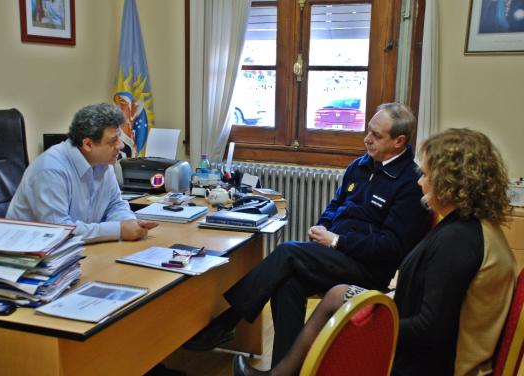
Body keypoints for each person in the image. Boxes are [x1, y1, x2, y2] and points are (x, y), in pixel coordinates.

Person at [233, 128, 517, 376]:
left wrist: (352, 322)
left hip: (422, 364)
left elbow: (430, 330)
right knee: (300, 281)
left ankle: (242, 336)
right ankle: (283, 372)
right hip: (402, 313)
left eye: (428, 175)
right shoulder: (468, 226)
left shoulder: (458, 241)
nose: (421, 181)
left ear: (452, 184)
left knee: (290, 255)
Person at [184, 103, 432, 367]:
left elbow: (392, 247)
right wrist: (322, 228)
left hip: (369, 270)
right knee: (287, 282)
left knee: (288, 252)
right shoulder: (360, 166)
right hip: (334, 254)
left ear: (399, 142)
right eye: (368, 131)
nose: (367, 139)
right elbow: (335, 207)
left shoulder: (410, 182)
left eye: (377, 135)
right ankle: (284, 370)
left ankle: (227, 321)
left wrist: (337, 241)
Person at [6, 103, 158, 243]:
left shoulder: (103, 163)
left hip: (77, 251)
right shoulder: (51, 170)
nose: (120, 145)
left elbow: (115, 205)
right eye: (113, 141)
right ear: (88, 144)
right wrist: (118, 230)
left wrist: (130, 222)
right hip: (30, 256)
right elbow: (60, 230)